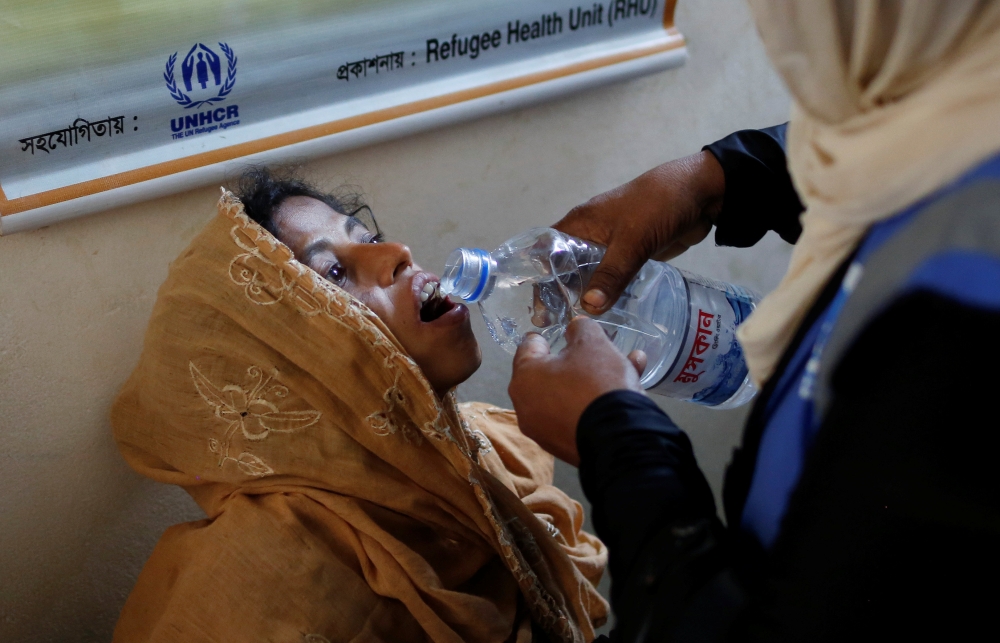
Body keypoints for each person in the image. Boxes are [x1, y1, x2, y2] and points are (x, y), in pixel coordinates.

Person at [508, 2, 1000, 641]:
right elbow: (899, 136)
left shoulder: (965, 315)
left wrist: (618, 441)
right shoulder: (962, 102)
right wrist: (722, 178)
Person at [110, 169, 608, 643]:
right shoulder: (267, 588)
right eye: (334, 272)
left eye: (367, 238)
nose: (397, 253)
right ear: (294, 368)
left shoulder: (482, 451)